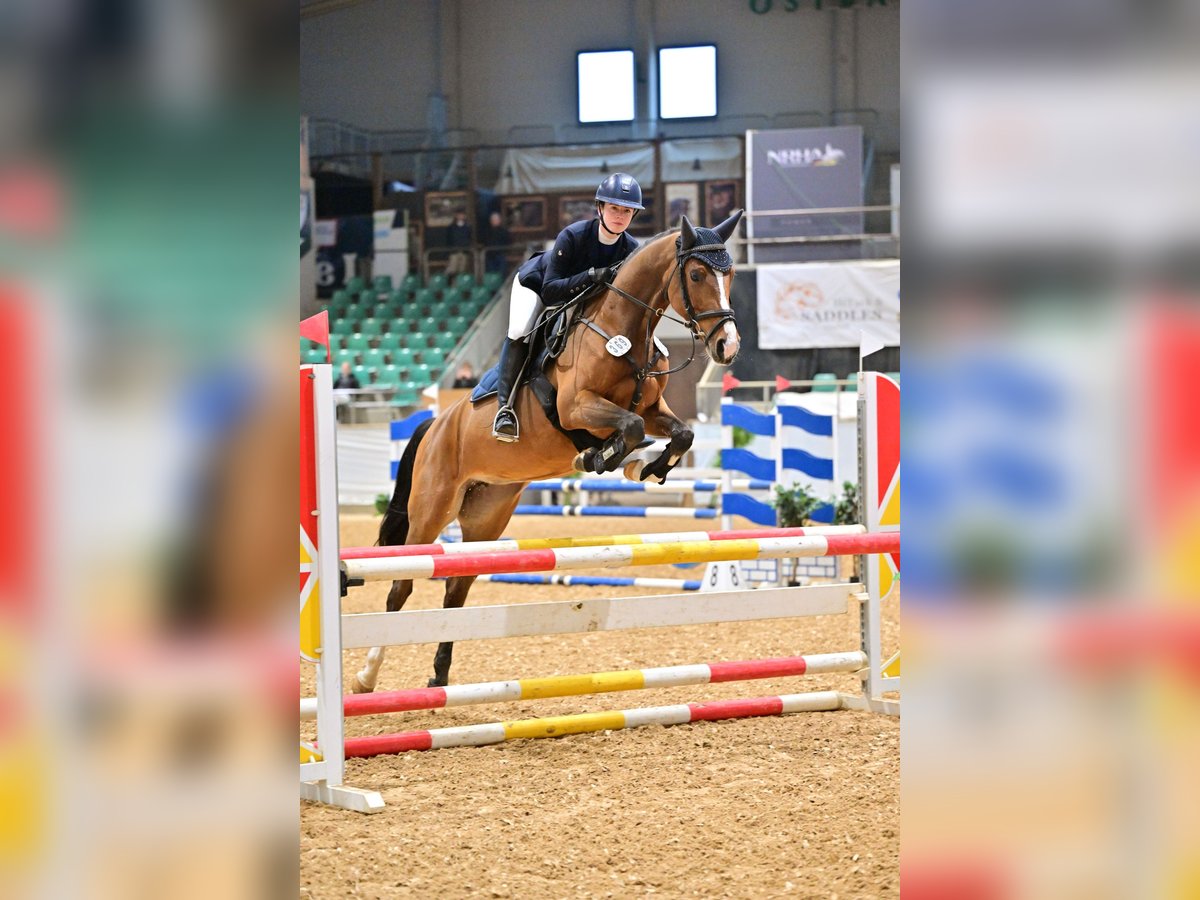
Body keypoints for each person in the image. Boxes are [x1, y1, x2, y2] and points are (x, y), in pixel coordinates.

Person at [491, 172, 643, 442]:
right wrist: (590, 276)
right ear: (600, 208)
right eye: (614, 208)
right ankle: (505, 410)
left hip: (584, 300)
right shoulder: (573, 235)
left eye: (627, 210)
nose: (620, 215)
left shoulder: (631, 248)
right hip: (537, 285)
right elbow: (551, 291)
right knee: (520, 329)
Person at [444, 210, 472, 276]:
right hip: (454, 251)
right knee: (452, 269)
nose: (461, 216)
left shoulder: (468, 227)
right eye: (459, 215)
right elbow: (448, 239)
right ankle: (451, 284)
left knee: (462, 270)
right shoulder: (451, 227)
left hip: (464, 251)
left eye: (462, 215)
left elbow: (469, 238)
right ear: (456, 216)